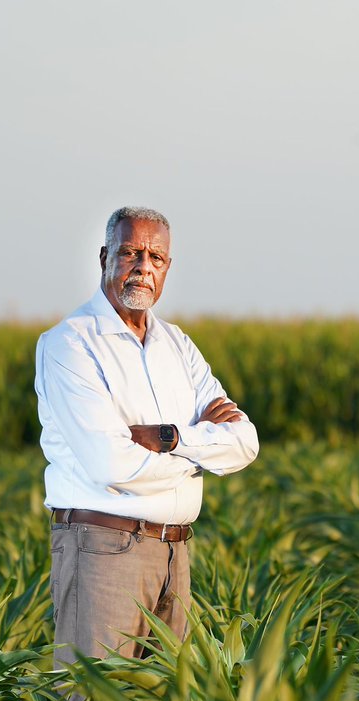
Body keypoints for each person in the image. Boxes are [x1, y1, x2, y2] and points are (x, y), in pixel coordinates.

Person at [34, 206, 259, 665]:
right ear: (104, 257)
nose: (143, 267)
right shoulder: (70, 343)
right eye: (131, 252)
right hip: (103, 547)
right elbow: (109, 464)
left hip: (175, 552)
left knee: (164, 694)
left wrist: (172, 439)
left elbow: (245, 442)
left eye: (155, 257)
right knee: (91, 692)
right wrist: (201, 453)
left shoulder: (178, 345)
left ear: (167, 268)